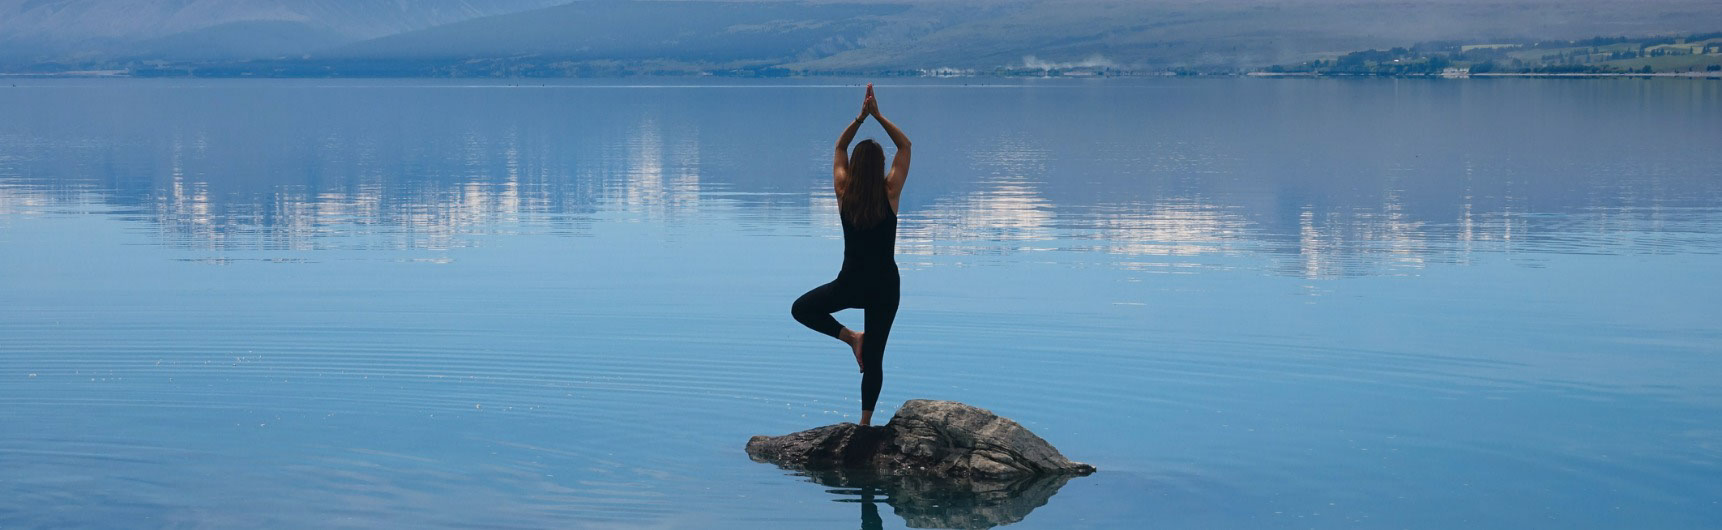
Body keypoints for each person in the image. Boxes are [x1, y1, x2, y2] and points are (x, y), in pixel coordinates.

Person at [791, 83, 912, 427]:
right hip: (885, 288)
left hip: (851, 284)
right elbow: (906, 145)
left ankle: (849, 338)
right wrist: (879, 116)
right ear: (880, 166)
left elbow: (840, 146)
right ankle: (864, 425)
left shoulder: (844, 193)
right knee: (874, 359)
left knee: (802, 309)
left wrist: (860, 118)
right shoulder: (890, 193)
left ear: (856, 167)